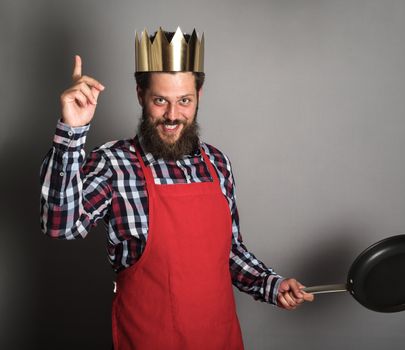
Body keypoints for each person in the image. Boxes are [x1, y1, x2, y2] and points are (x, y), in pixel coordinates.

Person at [39, 27, 314, 349]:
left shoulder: (217, 162)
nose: (172, 115)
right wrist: (73, 130)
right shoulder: (114, 162)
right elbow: (60, 226)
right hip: (148, 338)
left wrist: (272, 285)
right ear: (140, 94)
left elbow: (230, 251)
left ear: (199, 95)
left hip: (219, 338)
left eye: (184, 100)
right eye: (160, 101)